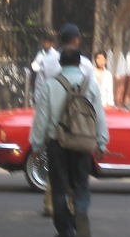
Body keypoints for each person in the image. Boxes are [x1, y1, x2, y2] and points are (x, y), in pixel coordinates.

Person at [29, 24, 109, 237]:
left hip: (57, 144)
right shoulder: (90, 84)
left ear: (61, 63)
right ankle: (80, 212)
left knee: (59, 188)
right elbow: (99, 115)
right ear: (80, 64)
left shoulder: (51, 85)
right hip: (83, 143)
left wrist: (36, 145)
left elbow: (41, 117)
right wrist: (101, 142)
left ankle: (65, 233)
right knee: (81, 184)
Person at [38, 28, 95, 218]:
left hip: (56, 135)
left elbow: (39, 101)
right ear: (77, 40)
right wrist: (101, 139)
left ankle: (62, 229)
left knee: (57, 180)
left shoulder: (46, 64)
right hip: (82, 133)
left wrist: (37, 140)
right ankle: (78, 211)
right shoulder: (86, 65)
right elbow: (95, 107)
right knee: (80, 180)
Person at [31, 32, 57, 106]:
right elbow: (34, 65)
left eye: (47, 42)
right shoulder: (40, 54)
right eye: (44, 42)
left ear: (51, 43)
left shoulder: (55, 55)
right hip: (40, 85)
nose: (45, 44)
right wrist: (40, 68)